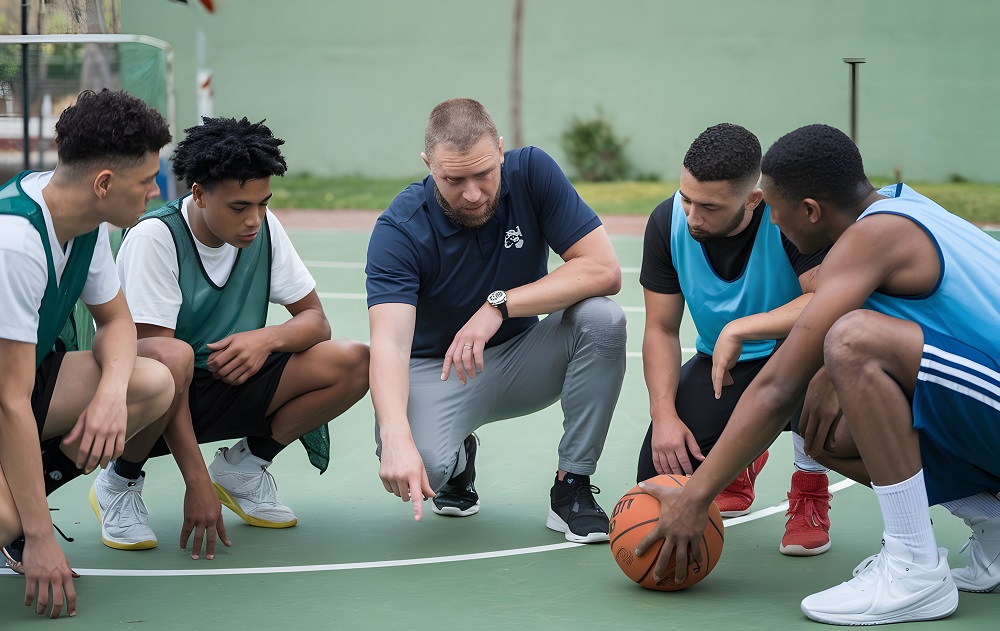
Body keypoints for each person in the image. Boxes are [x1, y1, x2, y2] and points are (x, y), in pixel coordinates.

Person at [636, 124, 1000, 625]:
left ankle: (914, 569)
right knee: (824, 411)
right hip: (983, 398)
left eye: (779, 219)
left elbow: (777, 386)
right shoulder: (902, 206)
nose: (777, 229)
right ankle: (996, 526)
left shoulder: (874, 236)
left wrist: (695, 499)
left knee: (850, 341)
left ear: (809, 211)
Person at [97, 116, 370, 560]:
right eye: (240, 207)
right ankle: (120, 480)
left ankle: (243, 470)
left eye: (263, 204)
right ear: (199, 194)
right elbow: (156, 363)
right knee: (173, 356)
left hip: (229, 382)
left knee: (356, 361)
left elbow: (316, 322)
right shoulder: (155, 237)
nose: (254, 219)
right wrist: (196, 483)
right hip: (151, 402)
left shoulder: (264, 228)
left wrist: (266, 339)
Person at [365, 98, 627, 543]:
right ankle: (458, 460)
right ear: (428, 165)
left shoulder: (534, 173)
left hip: (523, 359)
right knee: (422, 467)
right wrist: (393, 435)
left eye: (484, 173)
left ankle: (572, 489)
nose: (472, 193)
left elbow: (604, 269)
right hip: (439, 370)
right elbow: (388, 344)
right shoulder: (399, 229)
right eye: (453, 179)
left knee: (603, 318)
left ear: (501, 150)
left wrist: (498, 305)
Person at [0, 89, 175, 618]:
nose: (154, 192)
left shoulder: (84, 220)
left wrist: (110, 395)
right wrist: (38, 537)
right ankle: (20, 525)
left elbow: (117, 321)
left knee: (153, 382)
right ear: (105, 183)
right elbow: (10, 402)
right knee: (9, 522)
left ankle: (20, 499)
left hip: (21, 386)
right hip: (9, 394)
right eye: (146, 181)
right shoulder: (15, 242)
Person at [638, 123, 832, 555]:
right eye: (686, 198)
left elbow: (826, 299)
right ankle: (742, 459)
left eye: (708, 206)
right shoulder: (667, 223)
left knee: (821, 350)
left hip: (797, 356)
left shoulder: (786, 219)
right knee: (657, 474)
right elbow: (661, 329)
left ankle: (809, 490)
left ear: (752, 199)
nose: (692, 216)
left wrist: (742, 327)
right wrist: (664, 415)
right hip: (723, 368)